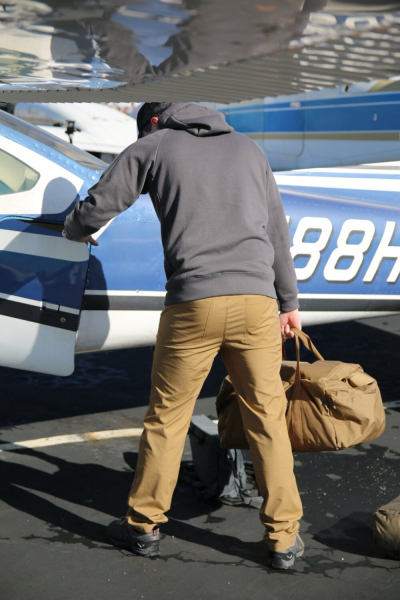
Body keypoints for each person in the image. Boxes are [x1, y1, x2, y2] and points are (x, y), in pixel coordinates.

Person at [63, 102, 303, 570]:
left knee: (168, 419)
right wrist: (289, 302)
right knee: (267, 419)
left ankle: (143, 526)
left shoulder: (155, 145)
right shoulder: (249, 149)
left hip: (194, 302)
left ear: (152, 122)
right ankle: (283, 540)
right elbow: (277, 232)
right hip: (257, 302)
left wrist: (73, 229)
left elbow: (100, 205)